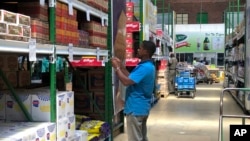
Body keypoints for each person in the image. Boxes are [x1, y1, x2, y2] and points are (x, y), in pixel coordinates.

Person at [111, 40, 156, 141]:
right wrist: (121, 67)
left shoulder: (145, 67)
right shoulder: (147, 66)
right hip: (141, 108)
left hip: (135, 108)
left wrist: (117, 68)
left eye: (141, 48)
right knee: (142, 137)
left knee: (135, 138)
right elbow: (131, 77)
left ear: (146, 52)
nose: (138, 50)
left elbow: (126, 81)